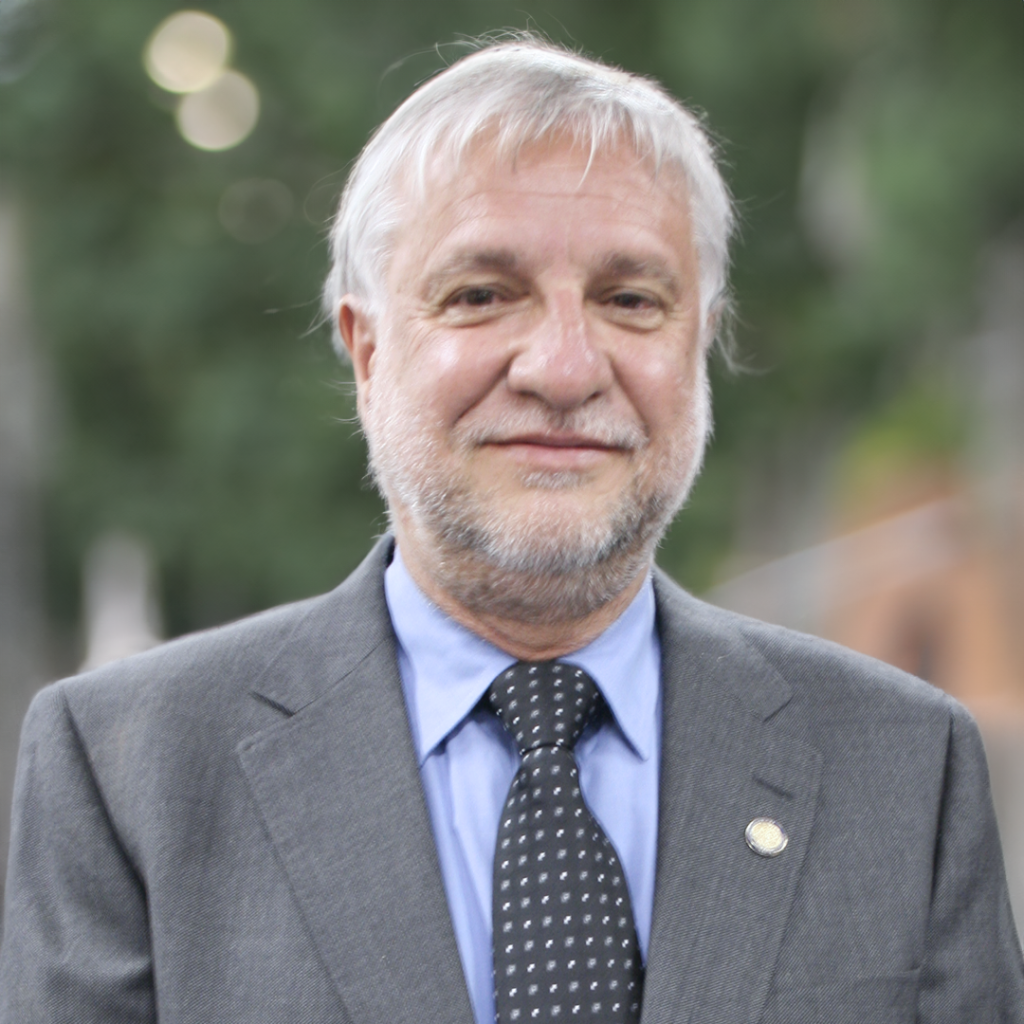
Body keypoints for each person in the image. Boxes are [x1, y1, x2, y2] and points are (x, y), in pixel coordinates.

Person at [1, 37, 1022, 1024]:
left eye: (631, 299)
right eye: (483, 295)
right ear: (367, 352)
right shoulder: (129, 776)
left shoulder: (903, 769)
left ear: (700, 346)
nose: (565, 369)